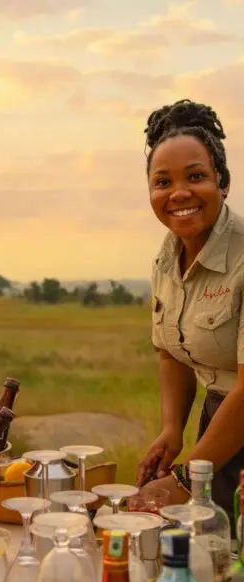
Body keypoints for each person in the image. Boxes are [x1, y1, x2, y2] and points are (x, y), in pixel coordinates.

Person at [136, 99, 244, 531]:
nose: (178, 193)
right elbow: (171, 353)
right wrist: (171, 430)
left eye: (195, 176)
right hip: (217, 427)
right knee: (215, 553)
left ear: (223, 181)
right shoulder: (168, 257)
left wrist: (184, 476)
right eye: (163, 182)